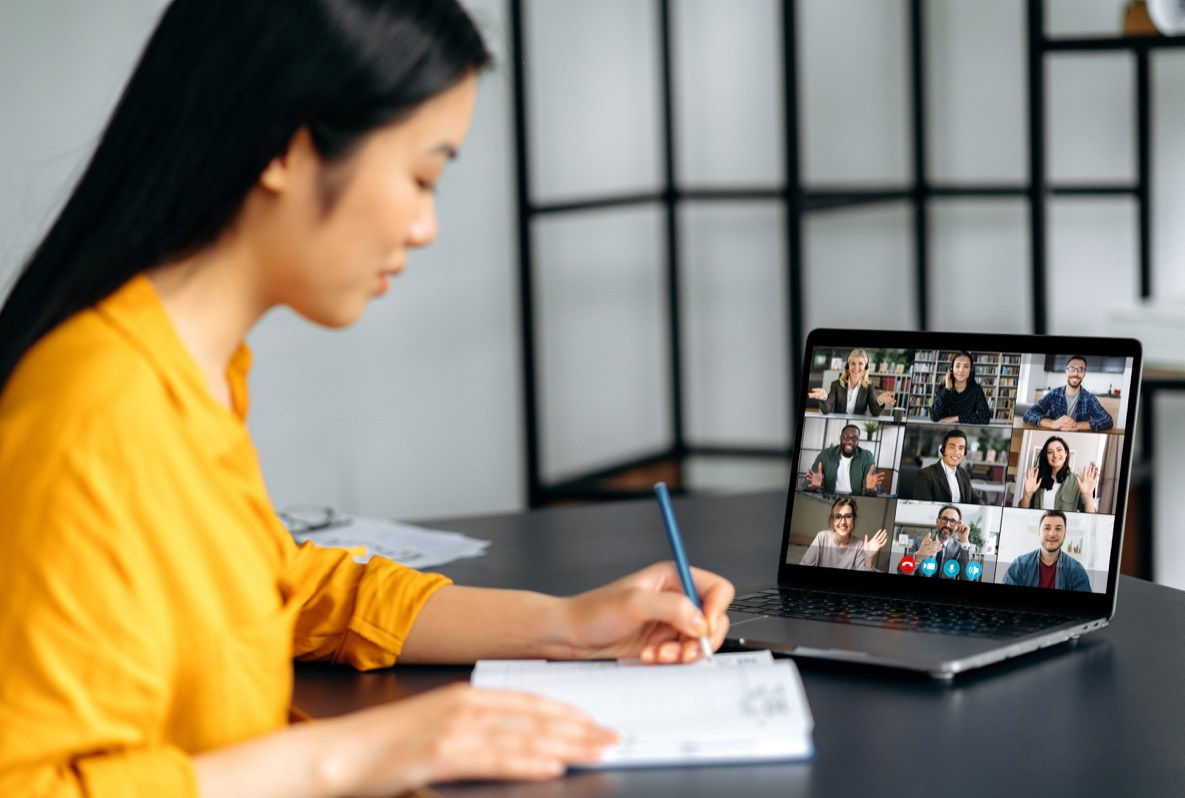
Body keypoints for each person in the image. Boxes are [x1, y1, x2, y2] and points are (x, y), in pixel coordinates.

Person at [0, 2, 736, 795]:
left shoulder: (193, 374)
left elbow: (292, 590)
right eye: (421, 178)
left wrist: (567, 627)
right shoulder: (99, 411)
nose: (426, 228)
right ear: (287, 145)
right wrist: (356, 754)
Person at [1001, 511, 1092, 592]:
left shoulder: (1077, 570)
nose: (1052, 534)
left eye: (1058, 529)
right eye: (1047, 528)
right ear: (1039, 533)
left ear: (1064, 535)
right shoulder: (1020, 564)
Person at [1023, 355, 1113, 431]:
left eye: (1080, 369)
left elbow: (1107, 420)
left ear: (1084, 374)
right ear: (1066, 372)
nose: (1075, 373)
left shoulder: (1089, 398)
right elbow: (1029, 414)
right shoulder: (1053, 394)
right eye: (1071, 369)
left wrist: (1078, 426)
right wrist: (1052, 423)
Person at [798, 497, 888, 571]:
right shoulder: (822, 537)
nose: (843, 522)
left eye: (848, 516)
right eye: (838, 517)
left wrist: (869, 558)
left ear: (853, 520)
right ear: (833, 520)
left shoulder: (859, 545)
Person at [1017, 435, 1098, 513]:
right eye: (1050, 452)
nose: (1055, 455)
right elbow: (1023, 512)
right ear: (1046, 456)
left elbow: (1090, 517)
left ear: (1066, 453)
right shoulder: (1037, 479)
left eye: (1059, 450)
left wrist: (1088, 496)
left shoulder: (1077, 481)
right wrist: (1027, 495)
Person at [808, 348, 896, 416]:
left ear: (865, 367)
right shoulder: (836, 384)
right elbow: (827, 410)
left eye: (860, 364)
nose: (856, 367)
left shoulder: (869, 387)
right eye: (853, 363)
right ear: (847, 366)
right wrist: (824, 398)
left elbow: (874, 412)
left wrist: (880, 401)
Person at [803, 424, 888, 495]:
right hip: (832, 498)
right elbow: (806, 485)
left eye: (854, 439)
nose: (850, 442)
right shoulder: (826, 454)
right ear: (840, 438)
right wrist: (812, 486)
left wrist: (870, 489)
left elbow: (874, 487)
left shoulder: (867, 456)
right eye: (845, 437)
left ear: (858, 441)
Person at [902, 504, 971, 579]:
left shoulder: (960, 549)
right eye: (944, 519)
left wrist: (964, 541)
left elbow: (967, 578)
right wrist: (917, 557)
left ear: (957, 526)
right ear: (937, 521)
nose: (947, 525)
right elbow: (901, 571)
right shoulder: (920, 542)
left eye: (953, 521)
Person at [912, 429, 980, 504]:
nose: (957, 452)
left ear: (965, 452)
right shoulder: (925, 475)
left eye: (961, 448)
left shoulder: (964, 474)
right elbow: (923, 507)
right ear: (943, 450)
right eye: (952, 447)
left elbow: (975, 498)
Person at [928, 351, 993, 425]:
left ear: (971, 370)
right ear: (951, 369)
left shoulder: (976, 390)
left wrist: (956, 419)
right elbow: (934, 416)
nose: (961, 370)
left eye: (966, 366)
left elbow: (985, 418)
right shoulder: (944, 388)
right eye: (957, 366)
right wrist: (947, 389)